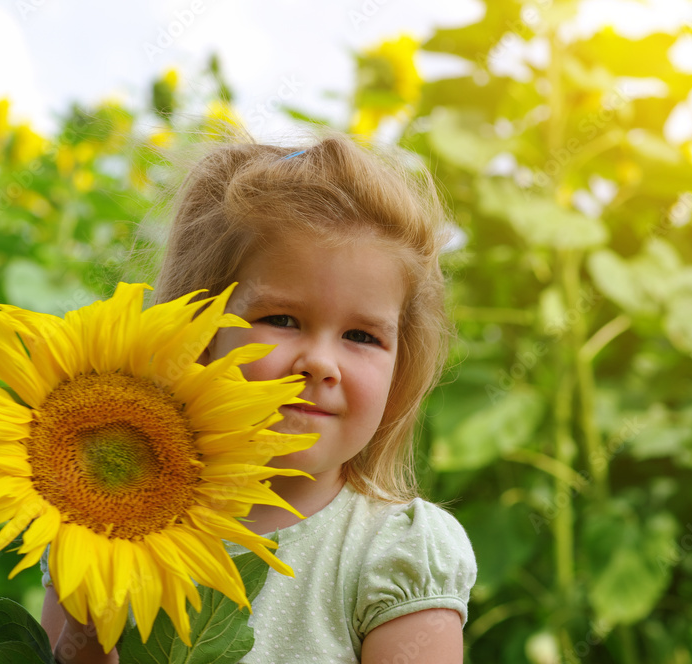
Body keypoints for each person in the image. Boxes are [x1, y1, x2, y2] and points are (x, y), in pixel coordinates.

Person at [39, 134, 476, 663]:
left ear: (401, 363)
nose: (320, 361)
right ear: (196, 333)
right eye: (282, 320)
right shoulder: (99, 526)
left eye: (362, 336)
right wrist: (91, 616)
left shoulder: (390, 552)